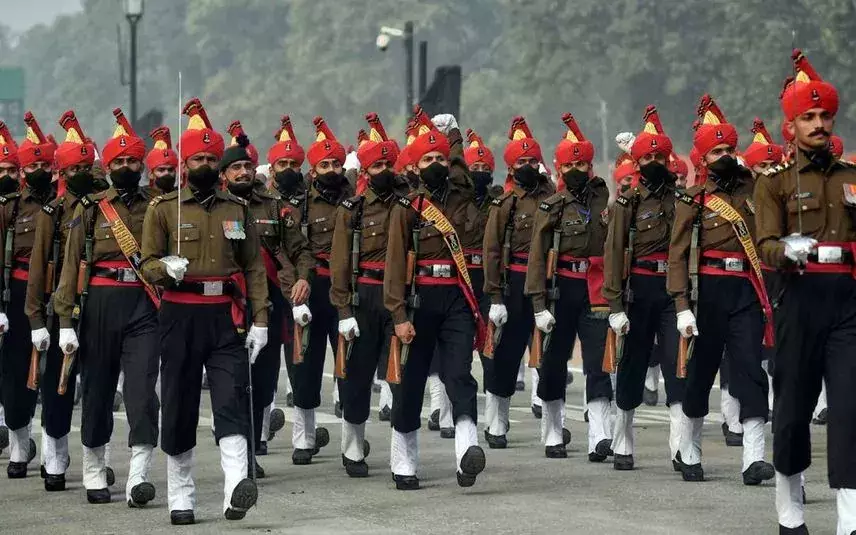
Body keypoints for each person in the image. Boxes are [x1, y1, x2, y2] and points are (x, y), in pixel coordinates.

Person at [140, 97, 268, 525]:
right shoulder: (165, 209)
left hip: (224, 316)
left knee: (232, 397)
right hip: (179, 314)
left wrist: (261, 319)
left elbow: (252, 265)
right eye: (198, 157)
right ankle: (181, 494)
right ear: (185, 161)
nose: (206, 164)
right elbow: (146, 262)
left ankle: (236, 488)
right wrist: (165, 269)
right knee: (179, 402)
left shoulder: (238, 209)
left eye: (213, 158)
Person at [754, 50, 856, 535]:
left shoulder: (851, 177)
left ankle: (849, 520)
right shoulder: (773, 184)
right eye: (807, 117)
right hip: (798, 300)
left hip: (847, 306)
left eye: (824, 115)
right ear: (789, 125)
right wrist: (786, 251)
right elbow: (764, 245)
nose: (818, 124)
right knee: (792, 410)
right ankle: (789, 509)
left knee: (850, 411)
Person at [53, 108, 160, 506]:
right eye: (120, 161)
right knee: (97, 391)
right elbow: (70, 266)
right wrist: (65, 320)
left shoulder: (159, 204)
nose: (128, 166)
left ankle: (138, 476)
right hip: (98, 305)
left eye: (134, 160)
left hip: (145, 307)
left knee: (142, 391)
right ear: (109, 166)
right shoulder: (91, 208)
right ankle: (95, 468)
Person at [668, 95, 774, 486]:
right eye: (718, 151)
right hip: (706, 295)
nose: (726, 155)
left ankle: (754, 458)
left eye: (730, 148)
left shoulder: (755, 190)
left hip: (745, 292)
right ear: (703, 158)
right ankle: (690, 450)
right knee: (700, 372)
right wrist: (681, 305)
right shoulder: (692, 200)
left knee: (751, 371)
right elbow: (678, 256)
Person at [383, 105, 486, 490]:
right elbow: (394, 266)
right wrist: (398, 314)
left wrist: (453, 135)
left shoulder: (461, 193)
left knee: (460, 373)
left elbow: (459, 160)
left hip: (457, 298)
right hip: (418, 301)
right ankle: (404, 460)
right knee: (409, 382)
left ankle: (466, 451)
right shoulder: (407, 207)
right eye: (428, 158)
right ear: (413, 166)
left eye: (440, 157)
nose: (437, 163)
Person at [220, 123, 311, 478]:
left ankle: (252, 443)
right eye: (235, 167)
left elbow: (301, 250)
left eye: (246, 166)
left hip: (269, 306)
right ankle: (239, 453)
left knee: (262, 379)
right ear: (224, 174)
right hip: (228, 306)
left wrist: (302, 278)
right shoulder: (216, 207)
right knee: (233, 381)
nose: (242, 171)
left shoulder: (276, 208)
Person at [525, 113, 613, 461]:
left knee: (598, 363)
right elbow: (536, 255)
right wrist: (538, 304)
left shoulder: (600, 197)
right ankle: (552, 431)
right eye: (572, 163)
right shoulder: (552, 207)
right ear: (559, 169)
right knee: (553, 362)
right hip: (560, 289)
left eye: (584, 163)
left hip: (595, 290)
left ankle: (600, 435)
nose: (579, 168)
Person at [329, 112, 406, 477]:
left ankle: (400, 455)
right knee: (356, 379)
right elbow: (340, 264)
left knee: (401, 378)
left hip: (401, 302)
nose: (386, 170)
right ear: (365, 171)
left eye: (389, 163)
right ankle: (354, 448)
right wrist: (343, 310)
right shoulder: (353, 211)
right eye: (378, 165)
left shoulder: (411, 205)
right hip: (364, 297)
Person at [481, 116, 555, 450]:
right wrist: (495, 296)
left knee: (551, 352)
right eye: (521, 161)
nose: (528, 166)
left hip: (548, 284)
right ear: (511, 167)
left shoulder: (554, 198)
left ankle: (553, 427)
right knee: (507, 353)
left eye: (532, 160)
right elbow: (492, 252)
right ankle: (497, 419)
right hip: (515, 283)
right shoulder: (504, 204)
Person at [283, 116, 353, 465]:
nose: (331, 169)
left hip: (347, 291)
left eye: (336, 163)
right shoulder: (299, 205)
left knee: (350, 366)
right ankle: (303, 438)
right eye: (324, 164)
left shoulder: (357, 200)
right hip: (311, 288)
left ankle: (352, 441)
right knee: (305, 367)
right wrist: (297, 289)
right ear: (313, 169)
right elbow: (292, 250)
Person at [0, 120, 33, 480]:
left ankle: (20, 443)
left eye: (13, 170)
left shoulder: (31, 207)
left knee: (19, 373)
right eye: (2, 170)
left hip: (22, 297)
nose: (7, 176)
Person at [145, 126, 179, 195]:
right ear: (151, 174)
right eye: (161, 170)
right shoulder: (143, 197)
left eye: (170, 170)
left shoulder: (182, 196)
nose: (167, 173)